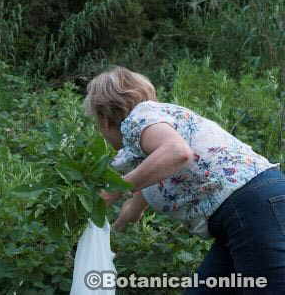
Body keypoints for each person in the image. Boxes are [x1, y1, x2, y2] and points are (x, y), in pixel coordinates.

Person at [82, 65, 285, 293]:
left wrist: (112, 191)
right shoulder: (148, 148)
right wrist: (103, 233)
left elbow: (177, 153)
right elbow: (134, 208)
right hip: (248, 212)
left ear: (104, 118)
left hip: (251, 208)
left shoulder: (140, 118)